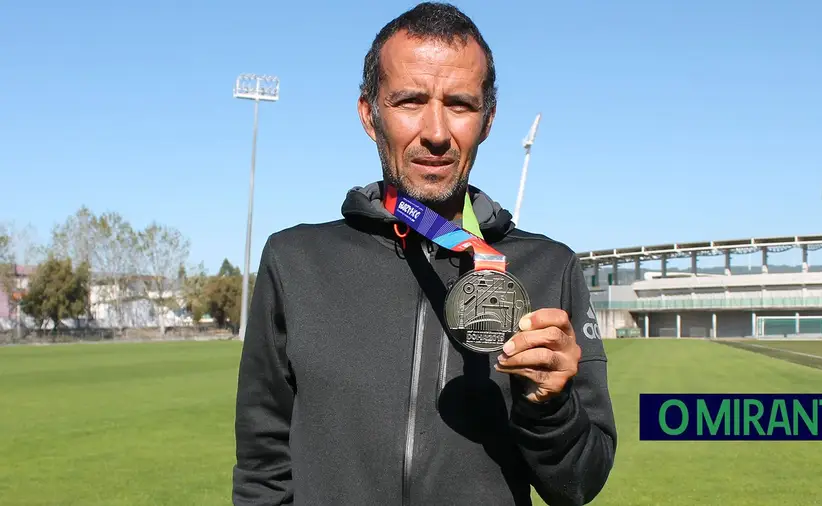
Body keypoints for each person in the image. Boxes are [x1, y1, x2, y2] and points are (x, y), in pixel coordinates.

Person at [231, 3, 617, 505]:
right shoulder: (294, 261)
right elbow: (263, 467)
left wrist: (550, 406)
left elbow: (580, 485)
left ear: (488, 120)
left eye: (459, 104)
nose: (436, 132)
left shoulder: (550, 269)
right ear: (370, 114)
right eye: (410, 101)